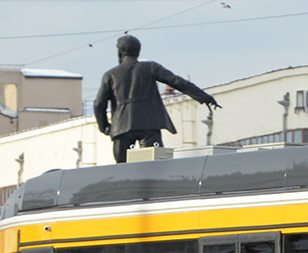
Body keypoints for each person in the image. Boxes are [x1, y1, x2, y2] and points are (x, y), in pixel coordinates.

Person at [94, 34, 220, 163]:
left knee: (121, 168)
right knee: (154, 164)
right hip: (148, 123)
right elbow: (177, 81)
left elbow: (99, 104)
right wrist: (203, 96)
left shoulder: (110, 75)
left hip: (121, 126)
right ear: (138, 51)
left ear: (120, 51)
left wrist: (105, 127)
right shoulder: (150, 67)